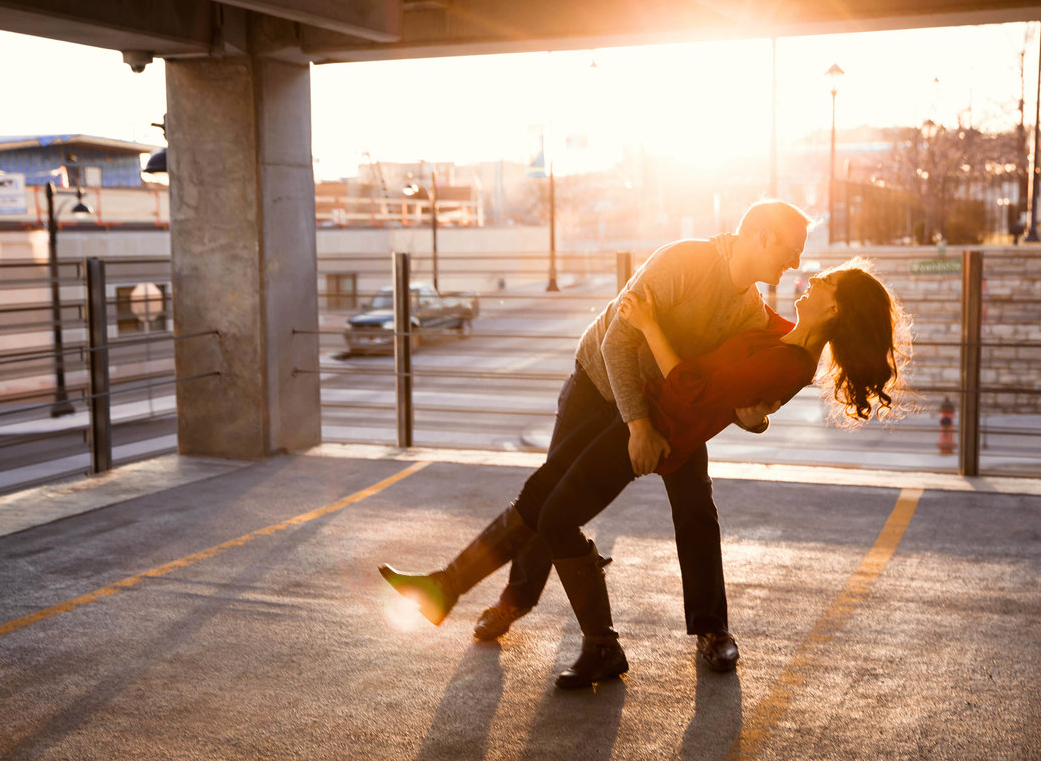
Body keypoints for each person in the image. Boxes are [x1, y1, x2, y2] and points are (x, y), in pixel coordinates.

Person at [380, 255, 909, 688]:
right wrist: (754, 413)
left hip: (660, 431)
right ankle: (450, 586)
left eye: (826, 279)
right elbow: (747, 386)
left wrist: (650, 323)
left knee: (585, 514)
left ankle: (621, 639)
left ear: (835, 305)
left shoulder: (790, 357)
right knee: (545, 499)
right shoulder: (779, 331)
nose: (809, 272)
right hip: (646, 415)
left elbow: (692, 388)